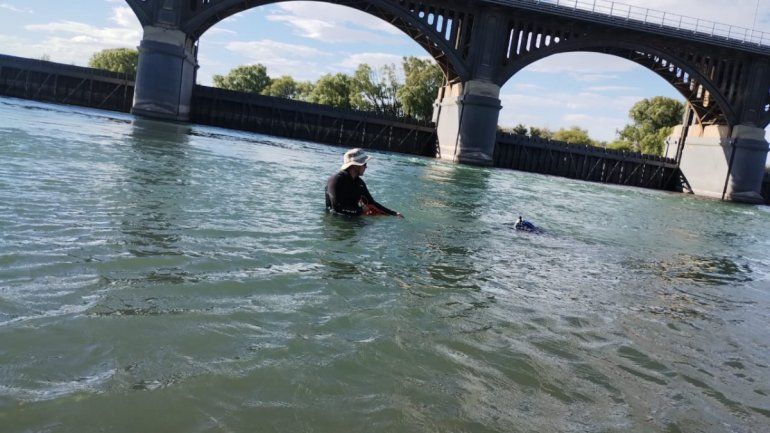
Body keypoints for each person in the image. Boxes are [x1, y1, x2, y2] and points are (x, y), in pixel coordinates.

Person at [325, 148, 403, 218]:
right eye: (364, 164)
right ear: (355, 166)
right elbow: (337, 208)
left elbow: (372, 203)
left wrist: (394, 214)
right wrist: (361, 210)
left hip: (353, 220)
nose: (366, 167)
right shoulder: (335, 180)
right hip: (335, 224)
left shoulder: (359, 183)